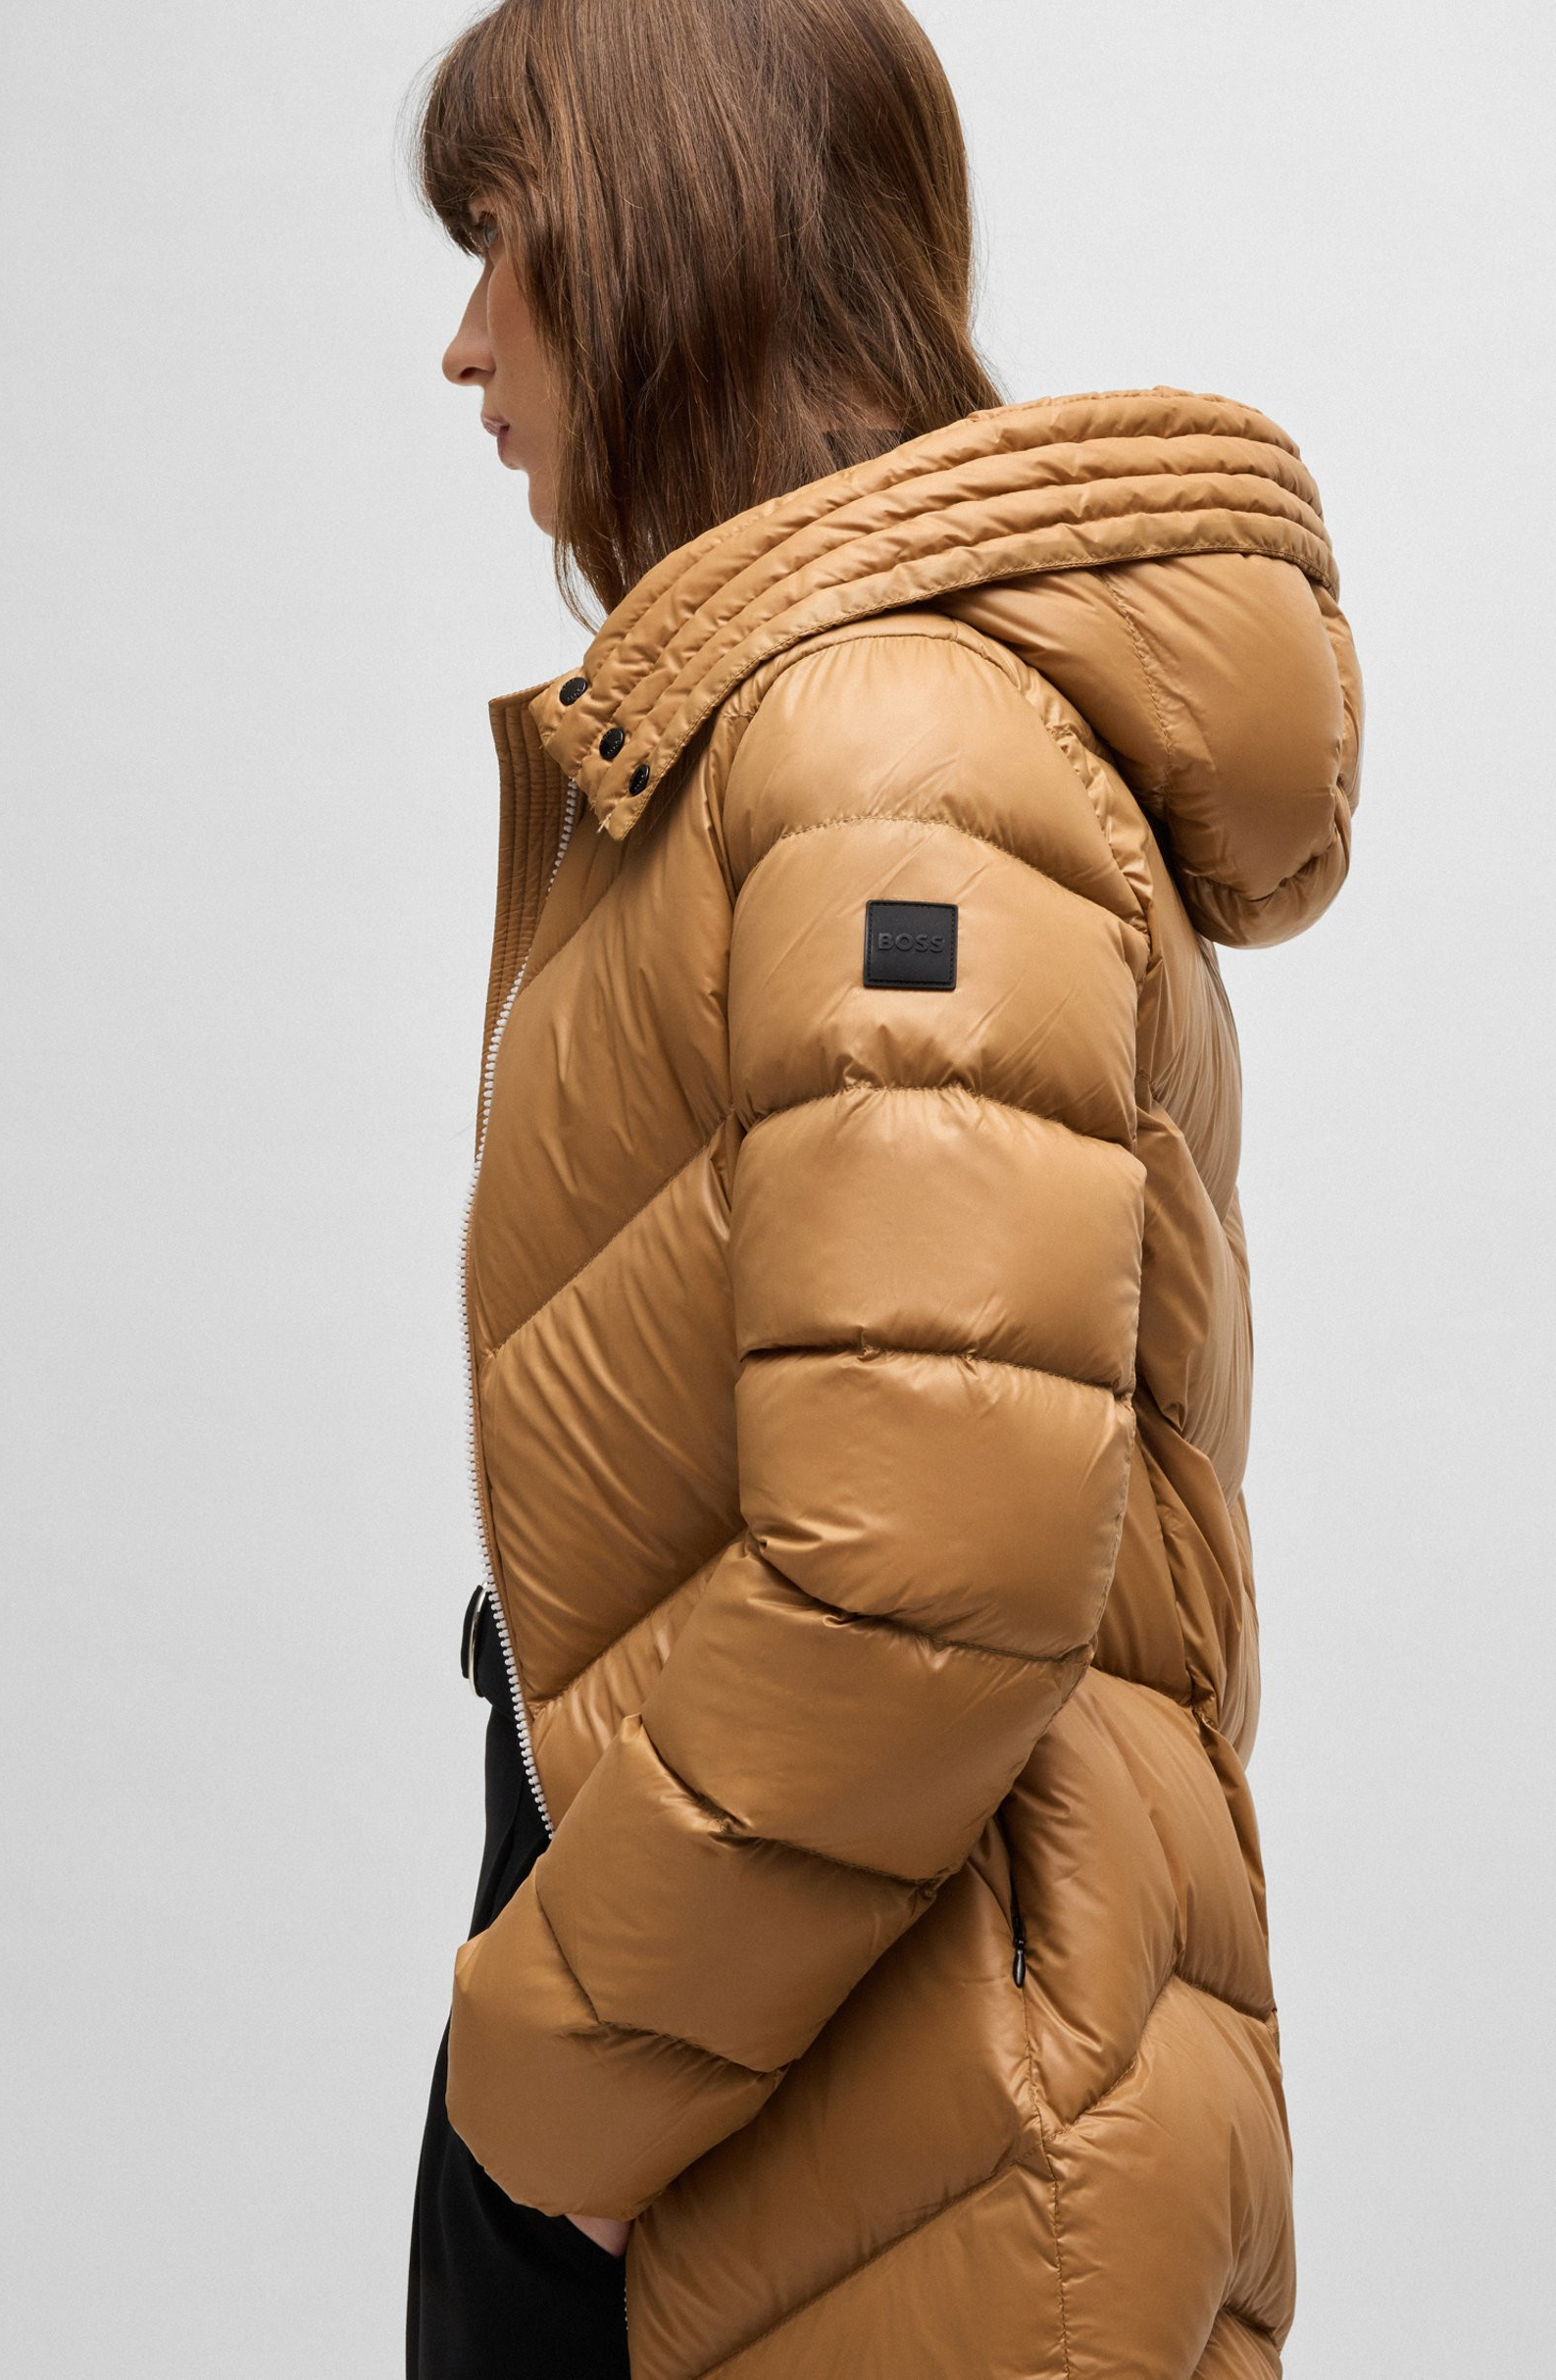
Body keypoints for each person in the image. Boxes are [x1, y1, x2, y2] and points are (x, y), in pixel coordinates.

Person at [405, 2, 1364, 2374]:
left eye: (502, 246)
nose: (465, 345)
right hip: (825, 2047)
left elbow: (915, 1557)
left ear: (665, 245)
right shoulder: (828, 732)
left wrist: (551, 2095)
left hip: (864, 2102)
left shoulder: (880, 748)